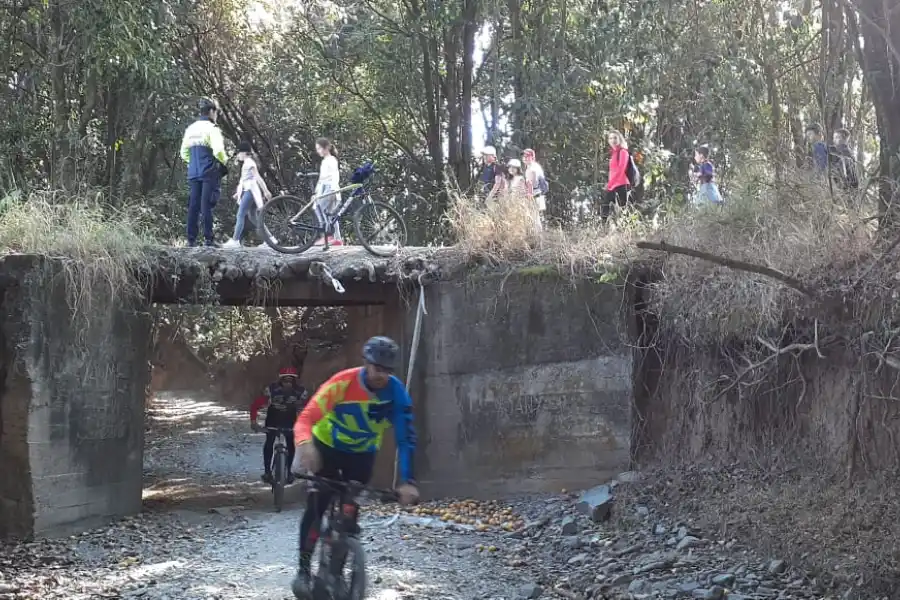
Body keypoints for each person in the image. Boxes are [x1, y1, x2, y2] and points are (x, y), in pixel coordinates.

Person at [291, 336, 419, 597]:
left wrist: (407, 481)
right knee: (317, 507)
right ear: (366, 364)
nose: (382, 375)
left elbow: (406, 440)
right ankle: (303, 569)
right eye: (377, 368)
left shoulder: (397, 395)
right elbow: (306, 418)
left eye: (387, 370)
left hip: (362, 455)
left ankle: (338, 569)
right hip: (326, 449)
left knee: (350, 509)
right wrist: (306, 445)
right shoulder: (342, 383)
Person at [180, 98, 228, 247]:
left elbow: (183, 153)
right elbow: (219, 150)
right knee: (206, 204)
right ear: (212, 112)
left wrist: (192, 163)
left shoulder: (190, 129)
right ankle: (208, 239)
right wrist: (224, 161)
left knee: (193, 205)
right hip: (209, 170)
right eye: (216, 112)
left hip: (194, 171)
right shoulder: (212, 129)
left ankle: (191, 240)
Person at [249, 367, 309, 485]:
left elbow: (309, 408)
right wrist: (253, 422)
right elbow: (256, 405)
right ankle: (267, 472)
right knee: (269, 442)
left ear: (294, 381)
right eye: (285, 380)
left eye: (290, 381)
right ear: (280, 380)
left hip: (290, 420)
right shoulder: (271, 390)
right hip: (273, 419)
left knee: (291, 444)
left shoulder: (301, 392)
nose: (287, 383)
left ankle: (290, 472)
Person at [223, 141, 274, 248]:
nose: (238, 155)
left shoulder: (250, 163)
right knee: (253, 217)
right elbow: (244, 180)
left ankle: (235, 240)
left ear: (244, 153)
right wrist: (238, 193)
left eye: (238, 153)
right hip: (248, 190)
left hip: (250, 191)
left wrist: (266, 191)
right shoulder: (247, 163)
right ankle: (270, 239)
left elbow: (257, 178)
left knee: (240, 214)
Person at [313, 138, 343, 247]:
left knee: (319, 208)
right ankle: (337, 239)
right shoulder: (325, 161)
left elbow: (334, 177)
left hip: (330, 188)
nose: (318, 151)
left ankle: (329, 235)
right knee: (330, 216)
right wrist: (316, 194)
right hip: (324, 188)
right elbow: (321, 180)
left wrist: (333, 191)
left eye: (320, 148)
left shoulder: (331, 160)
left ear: (326, 148)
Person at [603, 131, 631, 222]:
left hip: (621, 184)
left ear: (619, 139)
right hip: (613, 184)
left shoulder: (623, 152)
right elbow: (612, 171)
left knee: (623, 209)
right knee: (605, 206)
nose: (613, 140)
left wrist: (610, 184)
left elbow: (620, 170)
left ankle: (626, 231)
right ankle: (603, 228)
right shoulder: (614, 153)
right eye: (611, 138)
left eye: (615, 138)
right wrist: (610, 184)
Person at [523, 148, 548, 218]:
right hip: (538, 194)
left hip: (534, 195)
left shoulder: (532, 168)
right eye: (524, 156)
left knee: (534, 218)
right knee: (537, 218)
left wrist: (528, 193)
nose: (525, 158)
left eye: (527, 156)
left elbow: (532, 183)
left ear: (532, 157)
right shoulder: (535, 166)